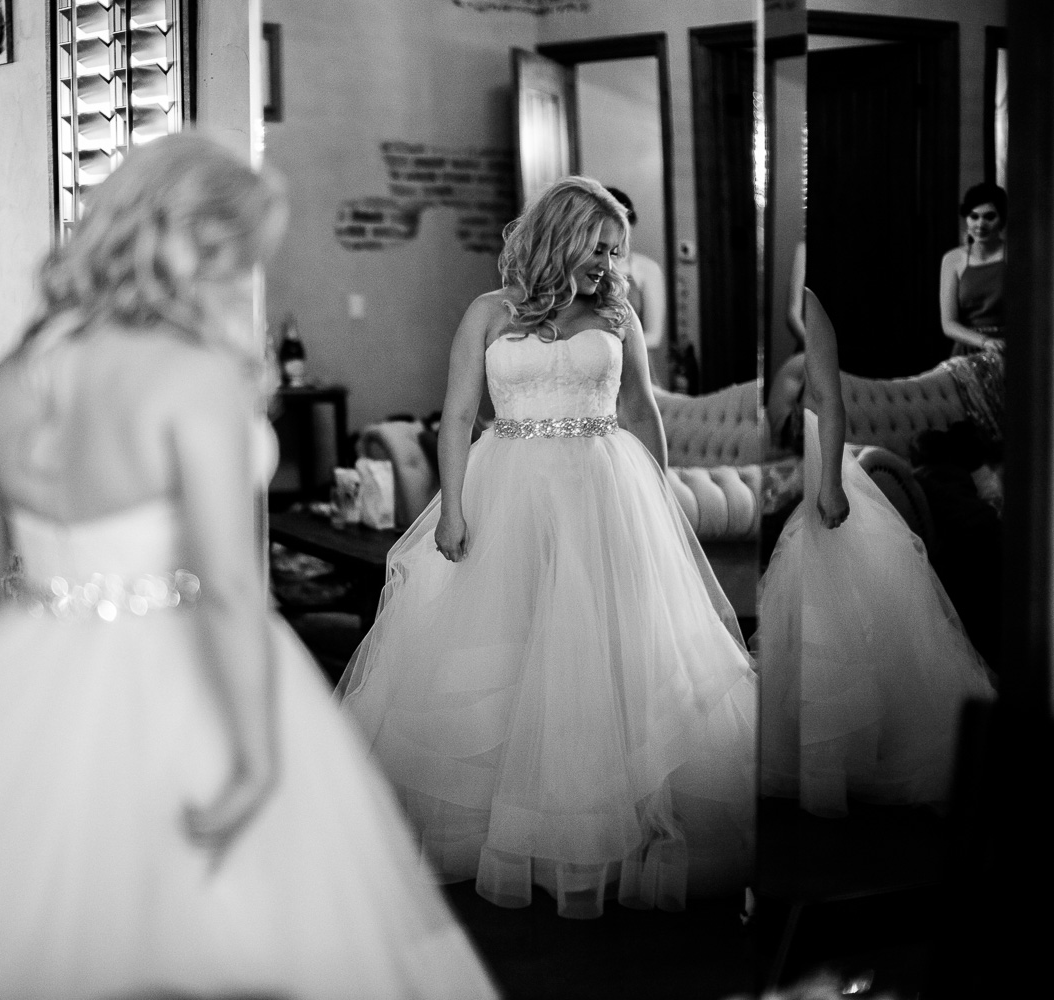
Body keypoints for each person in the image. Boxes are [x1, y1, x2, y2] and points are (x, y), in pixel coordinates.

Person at [0, 133, 499, 1000]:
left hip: (25, 683)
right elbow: (225, 585)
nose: (241, 275)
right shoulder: (189, 380)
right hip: (187, 676)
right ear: (198, 246)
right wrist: (258, 760)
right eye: (237, 254)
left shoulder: (16, 382)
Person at [337, 176, 757, 920]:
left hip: (603, 489)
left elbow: (640, 411)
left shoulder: (615, 313)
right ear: (560, 236)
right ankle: (490, 825)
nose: (607, 261)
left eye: (615, 249)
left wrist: (658, 498)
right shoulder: (488, 313)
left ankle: (597, 822)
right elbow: (458, 413)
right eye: (597, 245)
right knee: (505, 646)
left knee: (597, 651)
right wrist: (453, 507)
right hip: (508, 489)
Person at [754, 286, 996, 818]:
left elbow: (831, 401)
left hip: (826, 463)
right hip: (792, 458)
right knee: (800, 605)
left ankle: (847, 760)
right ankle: (810, 760)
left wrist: (832, 484)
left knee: (837, 598)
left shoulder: (813, 307)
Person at [605, 186, 669, 387]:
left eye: (625, 232)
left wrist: (604, 343)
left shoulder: (646, 269)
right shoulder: (582, 270)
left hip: (634, 369)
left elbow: (655, 336)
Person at [939, 182, 1007, 355]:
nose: (980, 224)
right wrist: (984, 342)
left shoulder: (1016, 256)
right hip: (968, 350)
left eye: (989, 217)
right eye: (974, 216)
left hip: (1009, 348)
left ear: (1002, 220)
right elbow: (949, 324)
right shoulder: (953, 260)